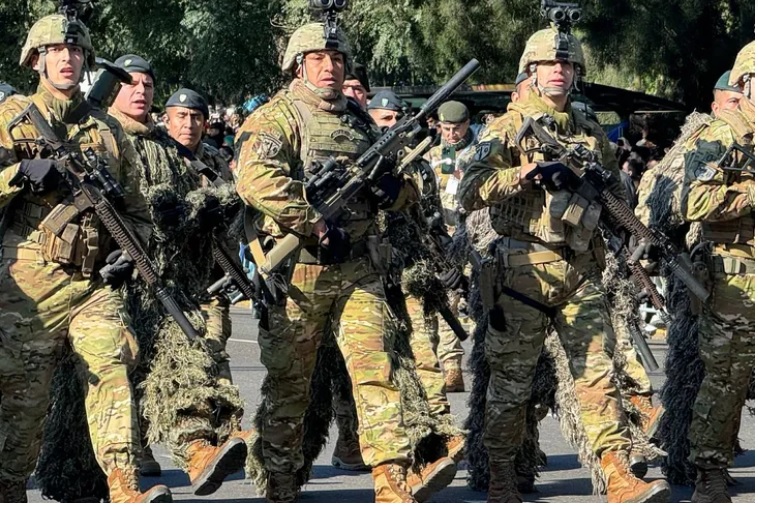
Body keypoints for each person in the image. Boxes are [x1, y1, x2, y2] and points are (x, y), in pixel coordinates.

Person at [235, 21, 455, 502]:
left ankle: (391, 480)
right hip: (299, 272)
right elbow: (254, 180)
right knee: (290, 387)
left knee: (378, 374)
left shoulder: (358, 121)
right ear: (299, 64)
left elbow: (406, 188)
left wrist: (395, 192)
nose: (330, 68)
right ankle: (278, 481)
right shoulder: (278, 117)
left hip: (358, 269)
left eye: (337, 60)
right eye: (318, 59)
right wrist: (311, 219)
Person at [458, 26, 671, 503]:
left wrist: (631, 226)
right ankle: (500, 474)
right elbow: (471, 190)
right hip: (521, 272)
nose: (560, 71)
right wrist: (528, 173)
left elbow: (615, 190)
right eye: (550, 65)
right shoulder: (507, 127)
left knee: (598, 377)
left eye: (568, 65)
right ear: (530, 71)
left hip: (582, 270)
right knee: (511, 384)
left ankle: (617, 473)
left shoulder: (588, 128)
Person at [0, 14, 170, 503]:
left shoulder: (108, 130)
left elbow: (136, 209)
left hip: (93, 284)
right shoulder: (11, 116)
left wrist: (128, 252)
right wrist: (20, 175)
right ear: (36, 58)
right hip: (27, 287)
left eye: (75, 52)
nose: (67, 58)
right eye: (57, 51)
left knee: (112, 365)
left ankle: (124, 485)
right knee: (21, 408)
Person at [108, 54, 249, 496]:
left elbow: (189, 206)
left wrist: (202, 209)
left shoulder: (167, 150)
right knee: (108, 382)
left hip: (165, 280)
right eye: (131, 83)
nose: (141, 90)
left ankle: (199, 447)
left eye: (148, 84)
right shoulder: (98, 138)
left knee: (184, 360)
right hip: (104, 280)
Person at [681, 40, 755, 503]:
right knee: (726, 377)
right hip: (735, 273)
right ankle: (709, 471)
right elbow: (695, 202)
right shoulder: (721, 134)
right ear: (747, 82)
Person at [422, 100, 476, 392]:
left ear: (468, 124)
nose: (451, 134)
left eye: (456, 128)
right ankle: (451, 364)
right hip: (441, 237)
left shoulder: (480, 153)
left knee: (475, 299)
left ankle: (482, 363)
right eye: (446, 128)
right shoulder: (432, 155)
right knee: (447, 301)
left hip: (472, 235)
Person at [165, 88, 231, 181]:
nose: (189, 125)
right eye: (181, 116)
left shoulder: (216, 160)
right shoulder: (155, 157)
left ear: (204, 124)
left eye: (196, 118)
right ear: (167, 121)